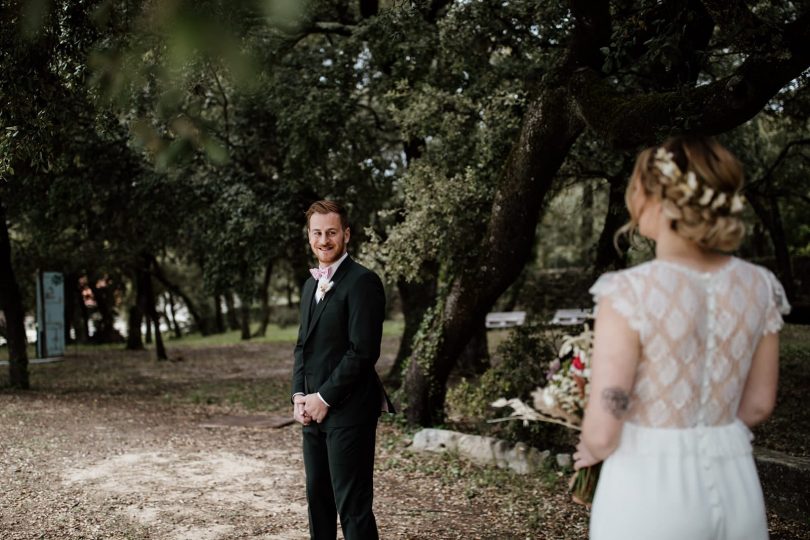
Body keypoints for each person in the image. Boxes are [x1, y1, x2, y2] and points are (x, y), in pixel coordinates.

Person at [573, 136, 790, 539]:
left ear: (661, 201)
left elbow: (605, 426)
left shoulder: (628, 291)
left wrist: (593, 447)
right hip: (736, 483)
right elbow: (759, 404)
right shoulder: (761, 286)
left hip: (648, 488)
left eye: (637, 188)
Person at [291, 199, 394, 540]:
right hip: (312, 412)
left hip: (349, 411)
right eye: (317, 233)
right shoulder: (309, 286)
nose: (324, 240)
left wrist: (325, 396)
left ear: (346, 234)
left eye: (331, 232)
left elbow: (363, 352)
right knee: (318, 502)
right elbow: (302, 347)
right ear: (309, 236)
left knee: (353, 508)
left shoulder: (363, 282)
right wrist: (299, 396)